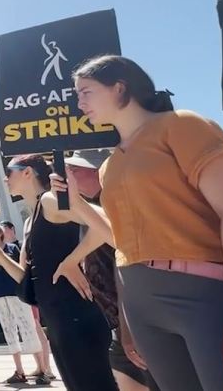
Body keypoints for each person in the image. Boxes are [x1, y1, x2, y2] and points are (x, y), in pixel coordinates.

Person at [52, 54, 223, 391]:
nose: (78, 102)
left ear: (119, 88)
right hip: (143, 309)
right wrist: (78, 204)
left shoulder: (182, 126)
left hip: (205, 296)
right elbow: (121, 242)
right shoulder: (109, 166)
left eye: (86, 91)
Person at [0, 154, 118, 391]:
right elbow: (27, 278)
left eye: (9, 172)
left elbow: (108, 224)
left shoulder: (50, 201)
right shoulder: (31, 217)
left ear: (27, 172)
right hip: (57, 317)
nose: (5, 179)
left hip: (76, 313)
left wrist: (72, 260)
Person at [62, 149, 158, 391]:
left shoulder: (118, 204)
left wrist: (128, 329)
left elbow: (125, 266)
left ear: (97, 170)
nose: (68, 174)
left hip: (138, 321)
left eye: (74, 169)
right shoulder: (92, 208)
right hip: (120, 324)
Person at [0, 225, 46, 385]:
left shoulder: (12, 248)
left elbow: (20, 270)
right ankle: (19, 370)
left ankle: (41, 369)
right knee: (9, 330)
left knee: (28, 327)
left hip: (16, 293)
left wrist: (1, 260)